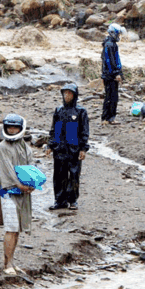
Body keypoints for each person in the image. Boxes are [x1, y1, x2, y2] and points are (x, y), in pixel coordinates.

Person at [0, 114, 35, 276]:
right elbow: (5, 170)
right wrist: (18, 185)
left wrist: (32, 183)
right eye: (9, 127)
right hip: (7, 192)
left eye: (15, 127)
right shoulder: (2, 147)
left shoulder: (24, 145)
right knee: (11, 228)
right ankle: (6, 264)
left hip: (23, 192)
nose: (12, 130)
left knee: (17, 229)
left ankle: (12, 261)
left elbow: (30, 166)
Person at [46, 83, 90, 211]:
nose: (67, 96)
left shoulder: (80, 111)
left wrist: (83, 148)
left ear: (74, 95)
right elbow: (54, 130)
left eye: (69, 93)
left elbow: (84, 131)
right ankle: (60, 200)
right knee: (59, 175)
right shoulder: (59, 110)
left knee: (74, 175)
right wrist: (50, 145)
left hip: (74, 149)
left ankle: (72, 200)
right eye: (65, 93)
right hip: (60, 148)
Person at [101, 23, 125, 125]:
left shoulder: (108, 43)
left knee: (110, 96)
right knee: (112, 97)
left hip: (108, 74)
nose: (118, 36)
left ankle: (107, 117)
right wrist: (116, 74)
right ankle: (108, 118)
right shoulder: (110, 45)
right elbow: (111, 61)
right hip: (110, 75)